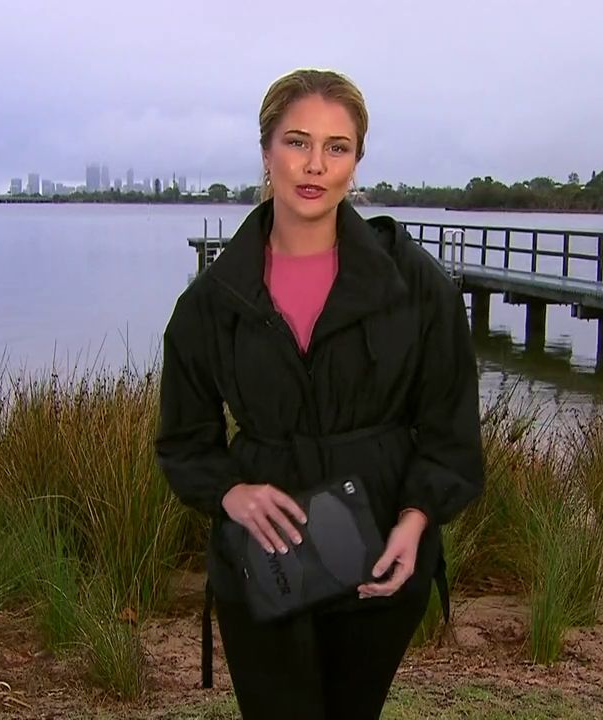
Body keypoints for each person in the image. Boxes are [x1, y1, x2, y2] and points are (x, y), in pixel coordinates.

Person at [155, 68, 484, 720]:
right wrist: (230, 491)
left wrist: (417, 519)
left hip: (381, 549)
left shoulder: (413, 285)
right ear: (266, 151)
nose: (315, 165)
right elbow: (185, 440)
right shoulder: (212, 301)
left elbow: (450, 427)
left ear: (356, 161)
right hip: (263, 557)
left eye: (337, 147)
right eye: (297, 142)